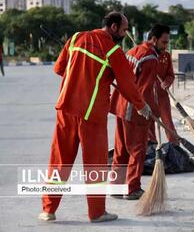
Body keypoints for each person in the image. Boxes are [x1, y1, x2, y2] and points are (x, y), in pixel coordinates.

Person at [39, 12, 152, 223]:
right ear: (114, 27)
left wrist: (82, 72)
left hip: (66, 109)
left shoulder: (75, 38)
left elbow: (59, 69)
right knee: (95, 166)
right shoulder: (113, 52)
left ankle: (48, 210)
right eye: (125, 29)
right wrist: (141, 106)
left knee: (59, 162)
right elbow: (128, 85)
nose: (125, 34)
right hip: (91, 116)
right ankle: (97, 213)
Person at [110, 24, 170, 200]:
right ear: (153, 39)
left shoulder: (134, 51)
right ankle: (132, 189)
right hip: (134, 110)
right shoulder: (150, 58)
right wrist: (153, 113)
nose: (166, 46)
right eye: (164, 42)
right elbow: (144, 90)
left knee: (121, 150)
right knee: (138, 150)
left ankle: (116, 187)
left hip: (120, 105)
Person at [148, 48, 178, 145]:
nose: (165, 46)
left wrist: (167, 82)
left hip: (162, 96)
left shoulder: (166, 56)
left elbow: (171, 75)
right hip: (148, 96)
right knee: (149, 125)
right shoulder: (146, 55)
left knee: (168, 123)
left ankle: (175, 147)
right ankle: (153, 149)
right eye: (163, 42)